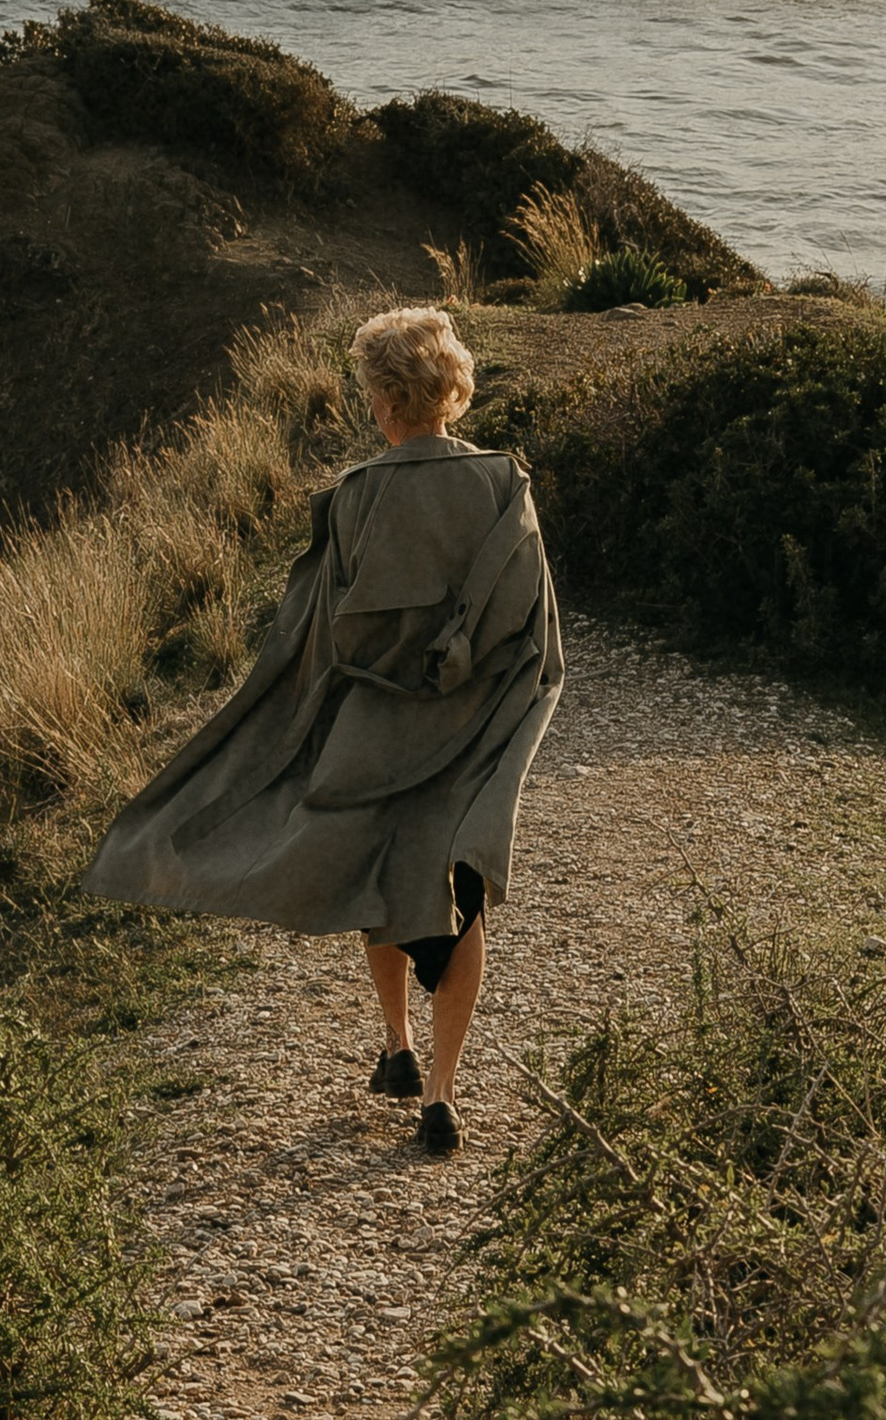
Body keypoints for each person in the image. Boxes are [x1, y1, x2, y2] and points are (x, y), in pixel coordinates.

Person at [80, 303, 562, 1156]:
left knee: (375, 880)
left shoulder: (354, 498)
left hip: (370, 738)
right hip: (473, 729)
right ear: (452, 388)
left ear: (383, 400)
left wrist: (275, 741)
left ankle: (397, 1045)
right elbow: (534, 637)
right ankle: (440, 1093)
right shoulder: (505, 486)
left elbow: (314, 644)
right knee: (460, 895)